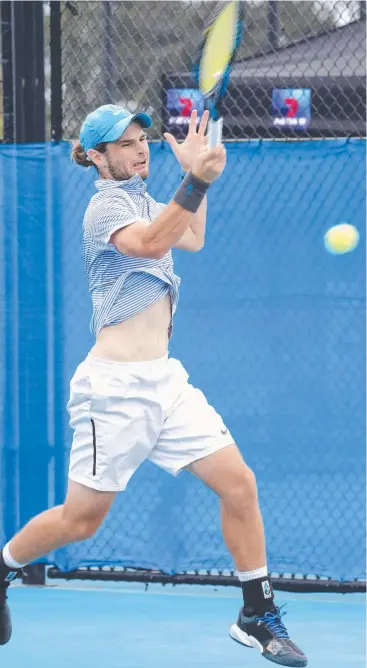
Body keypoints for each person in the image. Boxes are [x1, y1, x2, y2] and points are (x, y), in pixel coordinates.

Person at [0, 104, 307, 666]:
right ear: (95, 156)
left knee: (239, 484)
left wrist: (197, 178)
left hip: (166, 381)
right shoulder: (103, 209)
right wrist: (193, 180)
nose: (140, 149)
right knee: (81, 521)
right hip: (113, 391)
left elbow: (190, 237)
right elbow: (149, 245)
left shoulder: (142, 198)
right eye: (124, 144)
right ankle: (3, 566)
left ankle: (256, 614)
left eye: (143, 139)